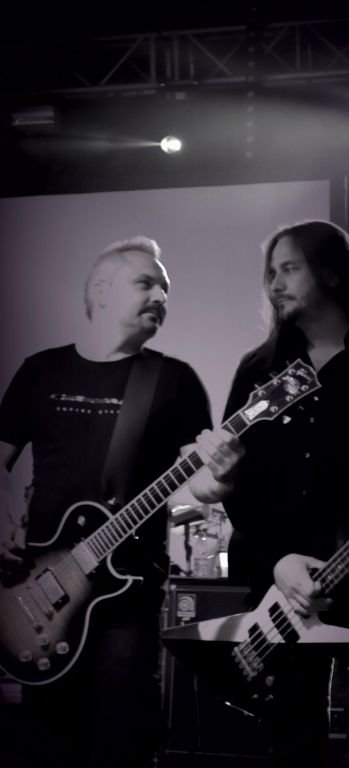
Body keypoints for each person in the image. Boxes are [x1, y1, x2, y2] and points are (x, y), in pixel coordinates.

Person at [190, 220, 349, 767]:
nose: (274, 284)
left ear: (331, 272)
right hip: (281, 598)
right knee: (291, 745)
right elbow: (239, 488)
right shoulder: (261, 370)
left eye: (290, 269)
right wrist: (277, 560)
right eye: (271, 272)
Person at [0, 235, 239, 768]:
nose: (161, 296)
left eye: (166, 289)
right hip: (35, 591)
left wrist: (222, 475)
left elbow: (202, 488)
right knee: (44, 741)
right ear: (101, 290)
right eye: (146, 283)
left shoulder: (174, 380)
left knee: (121, 740)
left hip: (126, 594)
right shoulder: (40, 370)